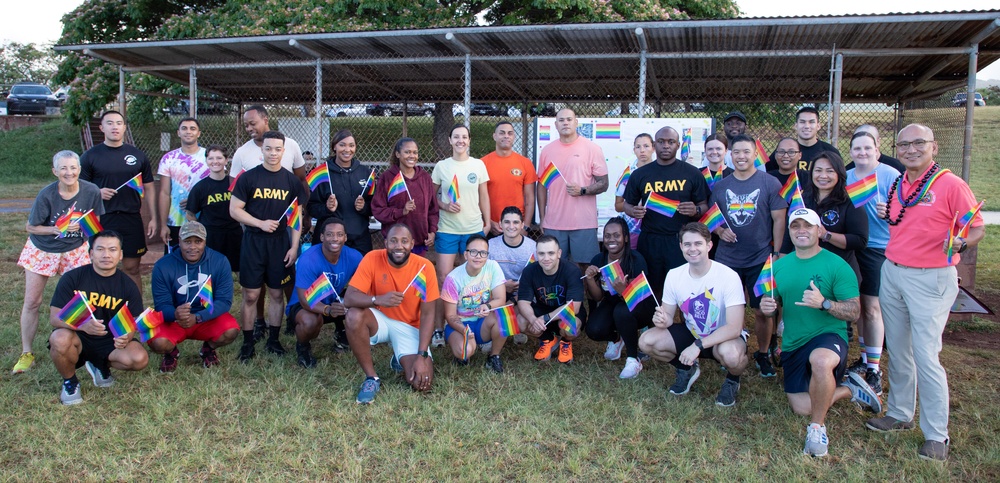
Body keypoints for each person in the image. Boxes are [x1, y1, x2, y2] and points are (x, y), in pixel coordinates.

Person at [865, 124, 985, 462]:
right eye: (903, 145)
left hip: (930, 278)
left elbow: (976, 227)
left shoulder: (950, 184)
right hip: (893, 272)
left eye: (918, 143)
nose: (910, 150)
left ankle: (936, 434)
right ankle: (901, 413)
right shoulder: (901, 182)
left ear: (933, 146)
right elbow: (903, 220)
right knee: (899, 350)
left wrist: (962, 241)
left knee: (926, 355)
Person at [760, 208, 882, 458]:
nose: (801, 230)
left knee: (821, 361)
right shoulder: (778, 267)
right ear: (790, 233)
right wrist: (767, 307)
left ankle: (816, 429)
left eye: (808, 226)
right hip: (794, 342)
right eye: (796, 226)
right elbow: (773, 307)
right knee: (801, 406)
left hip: (828, 335)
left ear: (819, 231)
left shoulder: (837, 265)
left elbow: (855, 312)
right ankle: (851, 389)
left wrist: (825, 303)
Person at [12, 151, 105, 374]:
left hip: (75, 250)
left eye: (73, 167)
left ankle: (85, 351)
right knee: (33, 301)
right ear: (55, 171)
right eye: (63, 168)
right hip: (43, 249)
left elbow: (96, 222)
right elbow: (31, 227)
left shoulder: (91, 191)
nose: (68, 172)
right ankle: (27, 353)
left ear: (79, 170)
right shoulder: (46, 195)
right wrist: (57, 228)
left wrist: (86, 235)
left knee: (81, 301)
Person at [639, 223, 748, 406]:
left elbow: (734, 328)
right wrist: (661, 319)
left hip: (722, 337)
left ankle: (732, 380)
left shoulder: (728, 276)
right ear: (681, 246)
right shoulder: (674, 275)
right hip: (692, 332)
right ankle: (686, 369)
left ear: (709, 246)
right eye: (687, 244)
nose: (692, 249)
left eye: (698, 243)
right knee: (646, 341)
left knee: (732, 356)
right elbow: (667, 317)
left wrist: (697, 346)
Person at [708, 134, 787, 379]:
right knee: (727, 309)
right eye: (737, 152)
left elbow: (779, 218)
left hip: (760, 259)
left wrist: (776, 252)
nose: (741, 156)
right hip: (727, 259)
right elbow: (712, 218)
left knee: (764, 310)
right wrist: (720, 230)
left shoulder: (769, 182)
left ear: (755, 154)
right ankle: (732, 346)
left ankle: (762, 353)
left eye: (746, 152)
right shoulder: (721, 185)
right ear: (730, 155)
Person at [230, 105, 310, 339]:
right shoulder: (249, 177)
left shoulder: (291, 182)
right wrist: (259, 223)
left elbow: (296, 216)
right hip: (254, 240)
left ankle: (274, 339)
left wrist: (294, 247)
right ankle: (248, 340)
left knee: (277, 293)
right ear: (261, 151)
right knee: (251, 294)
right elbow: (234, 210)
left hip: (279, 242)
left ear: (284, 151)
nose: (273, 153)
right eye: (268, 149)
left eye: (277, 149)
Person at [48, 231, 148, 405]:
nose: (106, 255)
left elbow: (131, 323)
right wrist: (83, 326)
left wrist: (125, 337)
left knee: (139, 358)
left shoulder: (128, 286)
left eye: (112, 249)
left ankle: (100, 365)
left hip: (108, 341)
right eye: (100, 249)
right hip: (78, 337)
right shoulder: (73, 278)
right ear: (91, 254)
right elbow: (55, 318)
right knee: (59, 338)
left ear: (121, 254)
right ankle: (70, 382)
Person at [343, 223, 440, 404]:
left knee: (421, 383)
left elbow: (428, 315)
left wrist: (422, 355)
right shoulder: (372, 258)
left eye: (404, 241)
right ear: (385, 243)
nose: (399, 246)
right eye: (393, 241)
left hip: (410, 327)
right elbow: (349, 298)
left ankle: (399, 356)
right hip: (380, 320)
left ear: (412, 244)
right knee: (354, 315)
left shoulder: (424, 267)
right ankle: (372, 378)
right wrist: (377, 299)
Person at [623, 126, 709, 296]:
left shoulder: (692, 173)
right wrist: (634, 211)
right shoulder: (640, 174)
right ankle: (655, 321)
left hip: (680, 240)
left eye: (671, 142)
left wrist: (696, 209)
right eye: (661, 142)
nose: (666, 146)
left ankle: (686, 322)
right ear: (655, 145)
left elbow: (705, 205)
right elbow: (626, 204)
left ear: (678, 145)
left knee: (685, 289)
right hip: (650, 239)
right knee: (652, 289)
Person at [845, 131, 900, 394]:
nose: (862, 153)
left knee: (872, 308)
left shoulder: (890, 175)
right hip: (851, 246)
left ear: (877, 150)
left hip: (877, 247)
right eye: (857, 148)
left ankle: (874, 370)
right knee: (858, 308)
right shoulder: (847, 177)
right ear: (851, 152)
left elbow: (908, 211)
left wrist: (891, 213)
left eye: (867, 148)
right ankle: (866, 359)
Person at [79, 110, 157, 291]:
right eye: (110, 123)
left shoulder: (137, 155)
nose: (115, 127)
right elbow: (78, 187)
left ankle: (135, 311)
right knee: (101, 267)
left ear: (124, 127)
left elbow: (149, 187)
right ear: (102, 128)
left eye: (119, 123)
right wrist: (96, 192)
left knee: (132, 267)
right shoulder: (90, 156)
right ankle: (101, 311)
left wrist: (153, 218)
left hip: (131, 218)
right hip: (101, 218)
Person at [149, 221, 239, 372]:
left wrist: (198, 317)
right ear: (179, 241)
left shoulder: (220, 261)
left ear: (205, 241)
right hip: (175, 320)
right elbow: (161, 304)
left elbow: (224, 301)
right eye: (187, 241)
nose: (192, 247)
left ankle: (208, 349)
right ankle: (171, 353)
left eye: (198, 241)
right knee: (157, 342)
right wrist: (175, 314)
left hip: (205, 317)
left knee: (231, 330)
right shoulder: (163, 265)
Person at [430, 124, 490, 347]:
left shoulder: (478, 165)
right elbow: (430, 196)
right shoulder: (442, 166)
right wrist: (444, 205)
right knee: (444, 280)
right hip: (447, 230)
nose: (460, 140)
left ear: (469, 140)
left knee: (475, 280)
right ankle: (439, 328)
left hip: (473, 229)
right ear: (450, 140)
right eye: (456, 137)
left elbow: (484, 195)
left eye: (464, 137)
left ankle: (476, 326)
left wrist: (486, 223)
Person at [536, 108, 609, 269]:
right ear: (556, 125)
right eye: (561, 120)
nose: (565, 123)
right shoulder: (547, 151)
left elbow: (604, 183)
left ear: (576, 123)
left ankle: (582, 296)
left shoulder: (592, 148)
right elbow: (541, 185)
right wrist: (542, 217)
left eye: (569, 119)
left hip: (584, 222)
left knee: (585, 267)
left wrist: (582, 190)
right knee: (554, 266)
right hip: (554, 222)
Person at [779, 151, 868, 283]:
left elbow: (860, 241)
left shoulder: (850, 202)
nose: (823, 176)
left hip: (837, 272)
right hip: (803, 269)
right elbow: (787, 237)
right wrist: (782, 267)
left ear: (839, 173)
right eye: (818, 170)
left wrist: (826, 235)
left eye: (830, 171)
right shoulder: (802, 199)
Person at [286, 217, 363, 367]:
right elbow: (304, 299)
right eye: (330, 234)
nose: (335, 238)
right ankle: (303, 346)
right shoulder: (308, 259)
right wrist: (327, 310)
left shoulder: (354, 256)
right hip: (306, 304)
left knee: (360, 302)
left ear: (345, 237)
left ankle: (342, 333)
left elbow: (365, 285)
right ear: (321, 237)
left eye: (340, 234)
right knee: (311, 323)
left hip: (332, 298)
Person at [583, 217, 653, 379]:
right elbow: (599, 296)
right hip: (612, 303)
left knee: (622, 312)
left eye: (616, 235)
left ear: (626, 238)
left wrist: (623, 291)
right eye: (607, 235)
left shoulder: (636, 260)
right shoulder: (598, 260)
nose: (611, 240)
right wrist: (589, 279)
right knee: (594, 330)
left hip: (639, 307)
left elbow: (641, 299)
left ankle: (633, 359)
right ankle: (616, 338)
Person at [441, 234, 508, 372]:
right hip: (460, 324)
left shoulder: (492, 267)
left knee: (505, 316)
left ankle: (494, 356)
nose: (478, 256)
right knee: (464, 352)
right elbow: (450, 315)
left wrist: (487, 306)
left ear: (487, 255)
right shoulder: (453, 278)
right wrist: (464, 331)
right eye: (473, 252)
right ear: (466, 255)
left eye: (483, 253)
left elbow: (501, 299)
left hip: (482, 322)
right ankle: (465, 351)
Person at [517, 235, 586, 364]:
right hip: (542, 310)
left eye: (551, 253)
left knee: (570, 326)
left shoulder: (572, 270)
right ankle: (548, 340)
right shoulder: (529, 271)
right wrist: (533, 319)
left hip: (566, 313)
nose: (546, 258)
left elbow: (574, 307)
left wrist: (545, 318)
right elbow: (523, 302)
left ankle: (566, 343)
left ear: (559, 253)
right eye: (542, 254)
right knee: (521, 321)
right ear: (536, 254)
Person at [307, 129, 374, 254]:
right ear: (334, 147)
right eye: (342, 145)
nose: (347, 149)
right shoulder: (321, 173)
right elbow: (311, 207)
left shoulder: (366, 173)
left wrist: (364, 207)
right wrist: (327, 208)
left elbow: (374, 206)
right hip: (331, 240)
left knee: (359, 273)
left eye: (351, 145)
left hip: (359, 239)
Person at [371, 138, 439, 255]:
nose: (411, 155)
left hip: (419, 242)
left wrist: (432, 231)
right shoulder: (387, 178)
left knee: (416, 273)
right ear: (398, 154)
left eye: (415, 152)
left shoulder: (424, 178)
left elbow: (433, 209)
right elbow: (378, 210)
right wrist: (401, 211)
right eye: (407, 152)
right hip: (396, 244)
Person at [186, 145, 241, 271]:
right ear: (206, 161)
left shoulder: (234, 184)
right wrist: (200, 233)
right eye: (211, 158)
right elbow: (190, 214)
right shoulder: (200, 187)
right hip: (211, 236)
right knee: (211, 271)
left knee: (240, 271)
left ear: (226, 160)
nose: (215, 161)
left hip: (234, 234)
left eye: (219, 158)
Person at [157, 117, 209, 250]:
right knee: (176, 259)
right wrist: (163, 225)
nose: (188, 131)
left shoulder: (209, 157)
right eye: (184, 128)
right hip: (176, 221)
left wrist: (194, 201)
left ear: (199, 133)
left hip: (204, 218)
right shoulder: (168, 158)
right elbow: (164, 193)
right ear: (178, 132)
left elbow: (217, 188)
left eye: (193, 128)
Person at [488, 206, 535, 344]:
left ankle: (515, 327)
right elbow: (483, 276)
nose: (511, 226)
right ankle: (488, 333)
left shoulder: (532, 247)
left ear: (522, 225)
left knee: (526, 303)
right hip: (496, 289)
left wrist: (515, 297)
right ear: (500, 224)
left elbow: (536, 278)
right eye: (507, 222)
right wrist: (502, 286)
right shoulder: (490, 245)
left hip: (522, 291)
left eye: (515, 222)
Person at [482, 121, 537, 237]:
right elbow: (477, 198)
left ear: (514, 137)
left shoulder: (525, 163)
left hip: (516, 227)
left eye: (510, 133)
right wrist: (489, 223)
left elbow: (530, 199)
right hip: (492, 227)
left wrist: (525, 226)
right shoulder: (482, 163)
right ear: (494, 136)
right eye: (502, 133)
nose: (506, 136)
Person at [766, 106, 842, 172]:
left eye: (811, 122)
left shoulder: (830, 151)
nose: (806, 126)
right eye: (802, 122)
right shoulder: (783, 151)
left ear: (818, 126)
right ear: (796, 126)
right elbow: (769, 174)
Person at [615, 133, 655, 250]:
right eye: (638, 147)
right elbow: (618, 205)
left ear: (653, 148)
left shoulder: (662, 172)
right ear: (634, 150)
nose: (642, 150)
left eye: (646, 146)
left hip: (656, 228)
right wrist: (634, 206)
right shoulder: (627, 174)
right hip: (632, 229)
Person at [702, 133, 733, 260]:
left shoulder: (734, 175)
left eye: (719, 148)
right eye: (710, 149)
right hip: (702, 231)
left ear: (726, 151)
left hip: (727, 231)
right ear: (705, 151)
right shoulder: (697, 174)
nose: (714, 152)